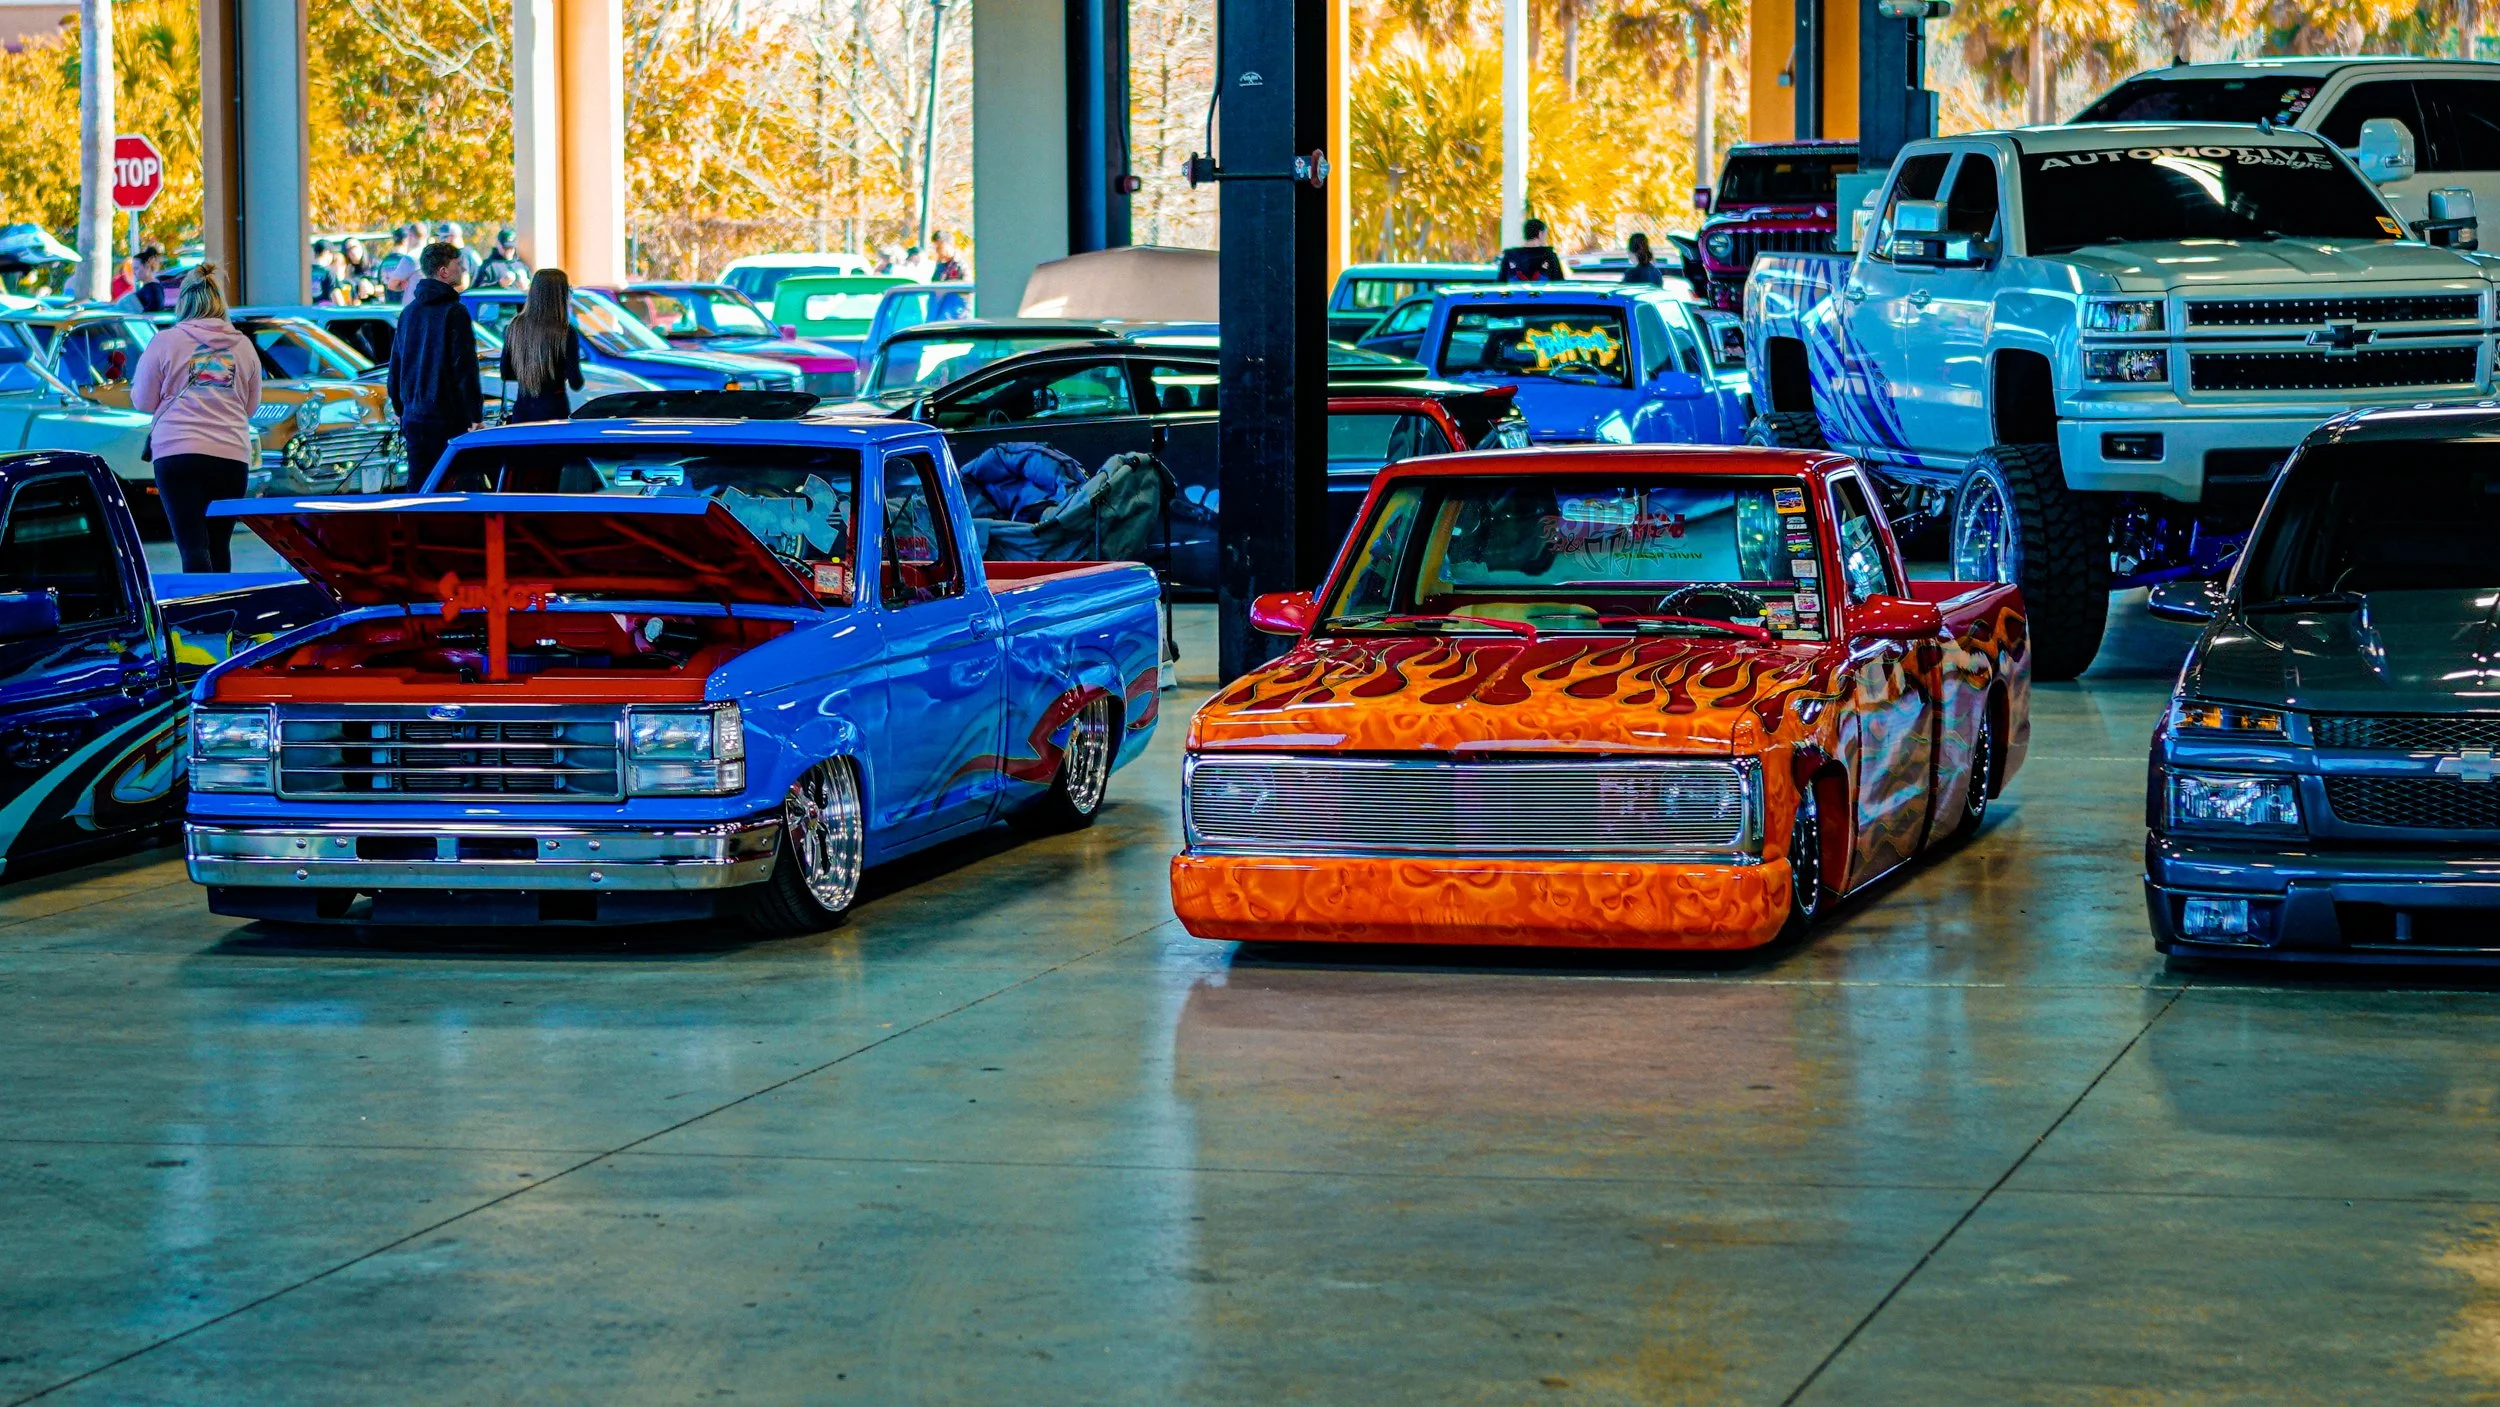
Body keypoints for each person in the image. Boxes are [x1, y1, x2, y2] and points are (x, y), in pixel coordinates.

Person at [128, 264, 261, 572]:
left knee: (192, 546)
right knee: (219, 545)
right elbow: (251, 407)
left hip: (178, 454)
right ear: (219, 302)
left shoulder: (165, 342)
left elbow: (143, 401)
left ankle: (200, 617)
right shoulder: (243, 347)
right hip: (231, 455)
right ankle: (224, 615)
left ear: (184, 302)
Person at [388, 242, 482, 484]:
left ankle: (413, 522)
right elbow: (465, 368)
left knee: (419, 483)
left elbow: (396, 364)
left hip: (413, 414)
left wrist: (400, 407)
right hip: (447, 416)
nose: (462, 268)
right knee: (452, 484)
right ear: (443, 271)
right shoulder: (454, 312)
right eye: (458, 264)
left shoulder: (409, 312)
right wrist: (475, 414)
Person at [498, 268, 583, 424]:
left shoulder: (514, 327)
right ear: (560, 295)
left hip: (522, 411)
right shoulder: (565, 331)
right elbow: (576, 382)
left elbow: (505, 372)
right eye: (568, 289)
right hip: (555, 411)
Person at [1496, 218, 1568, 283]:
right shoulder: (1550, 257)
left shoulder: (1509, 257)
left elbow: (1500, 284)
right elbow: (1559, 284)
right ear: (1540, 234)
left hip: (1517, 297)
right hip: (1543, 297)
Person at [378, 224, 423, 303]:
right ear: (406, 239)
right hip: (405, 305)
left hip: (389, 306)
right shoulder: (409, 261)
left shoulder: (385, 261)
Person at [309, 239, 338, 303]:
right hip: (325, 310)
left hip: (308, 310)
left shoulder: (305, 273)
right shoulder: (329, 272)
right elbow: (334, 294)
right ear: (327, 252)